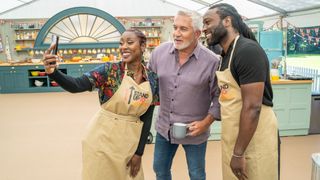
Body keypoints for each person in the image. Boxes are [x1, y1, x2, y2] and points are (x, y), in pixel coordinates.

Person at [43, 29, 159, 180]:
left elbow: (147, 117)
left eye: (130, 42)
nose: (123, 46)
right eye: (121, 43)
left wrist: (139, 152)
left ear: (143, 46)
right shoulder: (110, 71)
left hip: (129, 143)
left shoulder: (152, 79)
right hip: (102, 140)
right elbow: (76, 85)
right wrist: (53, 72)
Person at [202, 3, 279, 180]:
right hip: (234, 135)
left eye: (207, 22)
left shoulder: (247, 51)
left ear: (227, 21)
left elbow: (252, 108)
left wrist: (238, 153)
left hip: (255, 137)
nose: (204, 28)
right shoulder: (224, 55)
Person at [148, 10, 220, 180]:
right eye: (175, 28)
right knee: (159, 169)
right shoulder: (158, 54)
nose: (176, 34)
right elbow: (148, 85)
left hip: (195, 131)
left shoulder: (212, 62)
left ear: (197, 33)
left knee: (196, 174)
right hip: (164, 127)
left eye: (183, 29)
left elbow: (219, 98)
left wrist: (205, 123)